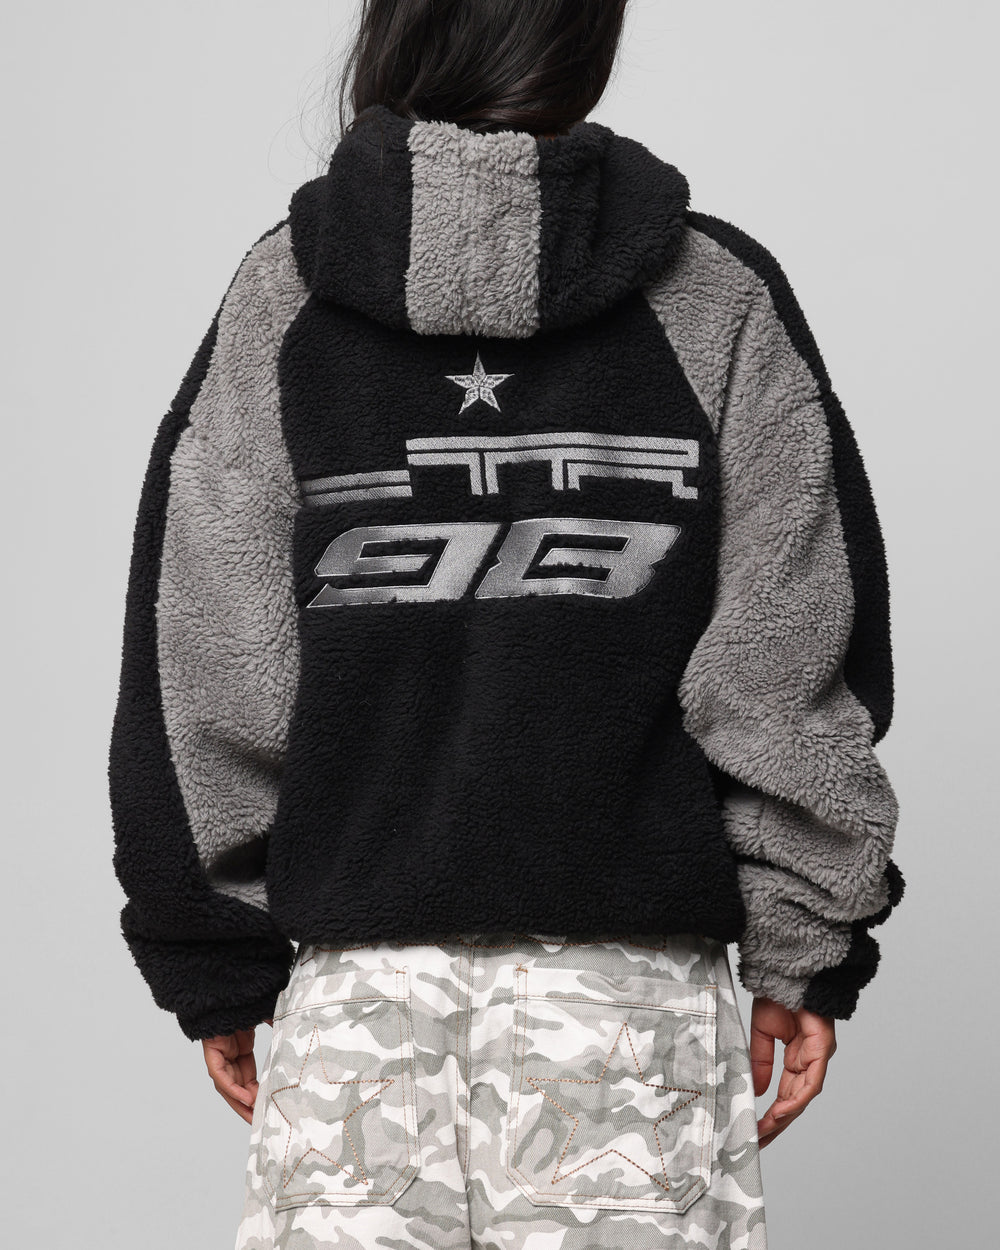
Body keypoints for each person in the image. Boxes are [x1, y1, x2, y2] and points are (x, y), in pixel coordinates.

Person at [106, 2, 905, 1247]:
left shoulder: (282, 293)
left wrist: (212, 955)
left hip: (359, 1010)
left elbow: (205, 657)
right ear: (588, 39)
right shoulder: (713, 295)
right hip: (630, 1014)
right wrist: (803, 945)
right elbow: (784, 659)